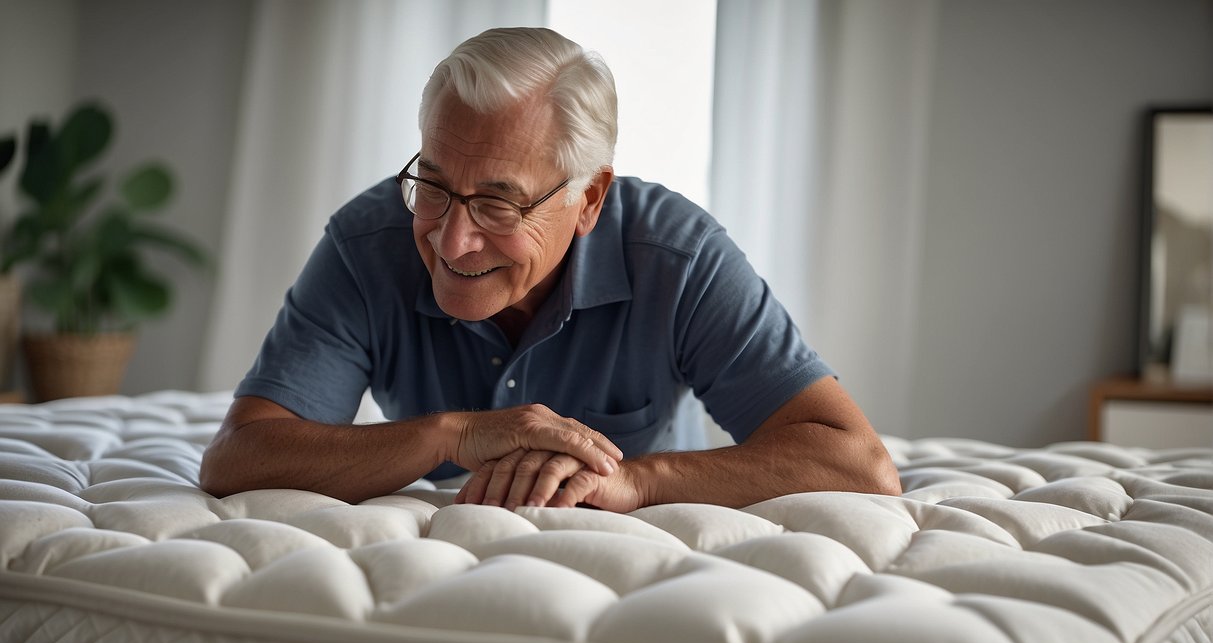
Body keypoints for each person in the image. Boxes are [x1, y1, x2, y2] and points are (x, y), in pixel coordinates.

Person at [200, 27, 901, 511]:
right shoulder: (366, 242)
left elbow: (857, 464)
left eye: (498, 204)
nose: (451, 240)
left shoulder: (677, 257)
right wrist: (455, 435)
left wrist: (639, 481)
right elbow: (238, 458)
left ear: (588, 197)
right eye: (434, 185)